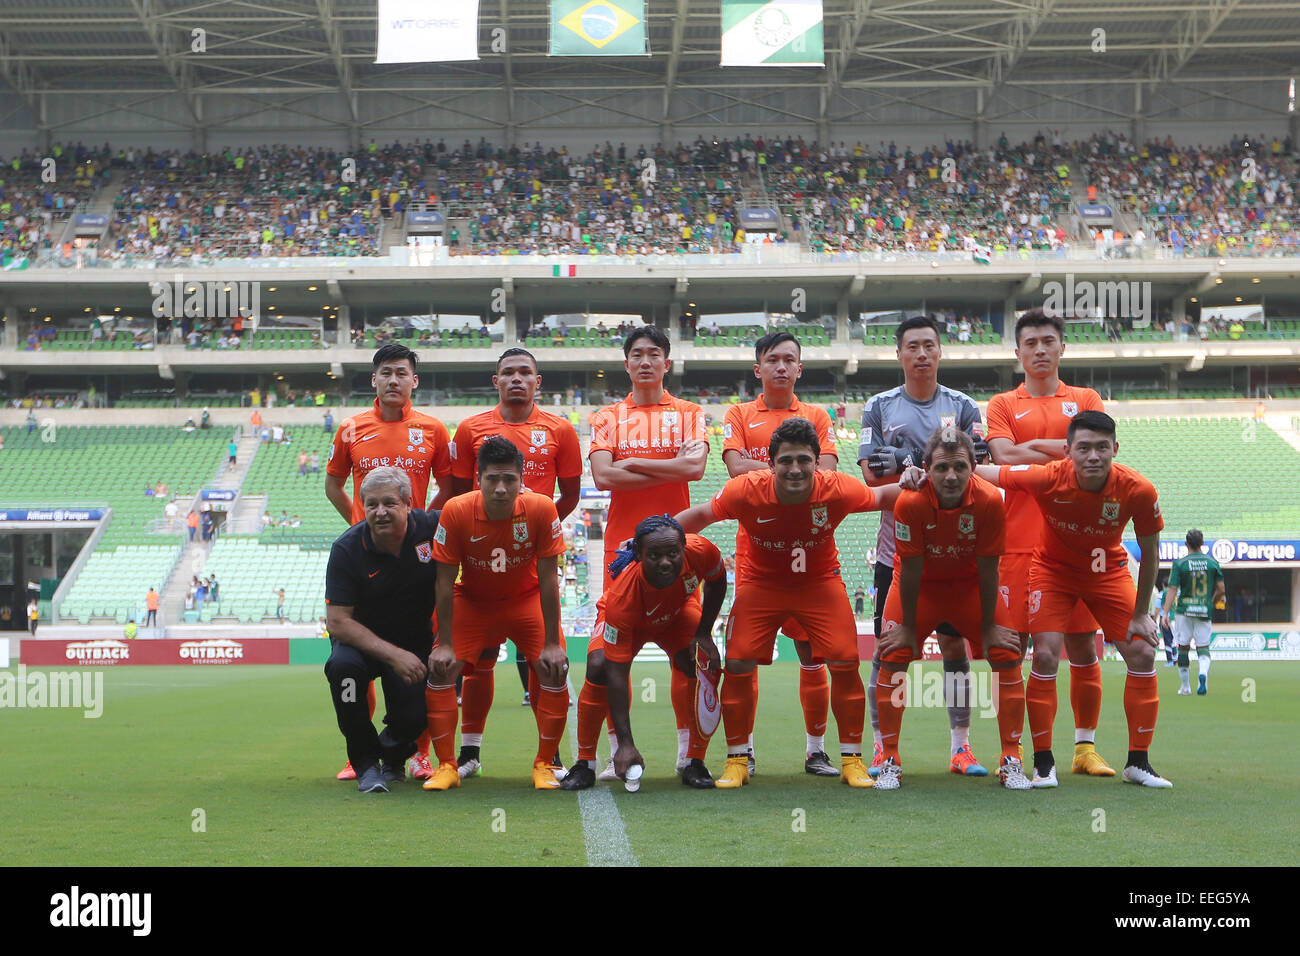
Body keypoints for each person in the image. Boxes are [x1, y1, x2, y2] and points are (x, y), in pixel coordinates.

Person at [675, 417, 906, 789]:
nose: (795, 469)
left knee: (846, 661)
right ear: (771, 463)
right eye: (786, 460)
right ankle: (737, 759)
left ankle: (852, 760)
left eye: (803, 460)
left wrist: (919, 484)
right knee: (738, 661)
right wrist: (651, 535)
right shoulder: (746, 489)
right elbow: (700, 516)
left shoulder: (837, 488)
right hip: (761, 584)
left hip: (818, 584)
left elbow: (882, 497)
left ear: (818, 462)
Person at [972, 410, 1170, 787]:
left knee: (1142, 649)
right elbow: (989, 473)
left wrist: (1142, 613)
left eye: (1101, 448)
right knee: (1046, 652)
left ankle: (1138, 762)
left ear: (1115, 448)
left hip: (1108, 572)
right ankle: (1044, 763)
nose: (1092, 456)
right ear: (1068, 451)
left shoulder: (1138, 490)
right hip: (1052, 572)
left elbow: (1151, 553)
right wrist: (933, 471)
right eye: (1083, 448)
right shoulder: (1048, 477)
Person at [857, 314, 989, 778]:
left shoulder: (964, 405)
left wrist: (910, 461)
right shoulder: (877, 407)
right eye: (911, 346)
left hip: (954, 555)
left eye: (928, 345)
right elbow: (872, 474)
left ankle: (961, 748)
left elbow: (980, 460)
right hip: (896, 552)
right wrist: (904, 470)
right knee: (890, 650)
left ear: (939, 351)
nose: (920, 354)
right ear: (899, 354)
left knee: (955, 648)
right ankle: (883, 749)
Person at [575, 325, 708, 781]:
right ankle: (616, 753)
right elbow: (603, 477)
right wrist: (663, 470)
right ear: (627, 364)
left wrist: (633, 463)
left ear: (666, 363)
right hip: (624, 553)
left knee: (689, 654)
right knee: (610, 657)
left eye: (655, 354)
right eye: (638, 354)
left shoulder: (689, 413)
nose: (646, 361)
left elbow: (695, 466)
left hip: (677, 550)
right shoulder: (609, 416)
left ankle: (688, 755)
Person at [985, 307, 1113, 777]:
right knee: (1012, 651)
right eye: (1030, 343)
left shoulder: (1085, 398)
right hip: (1016, 543)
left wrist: (1031, 453)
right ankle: (1012, 752)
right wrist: (1059, 448)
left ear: (1062, 347)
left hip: (1074, 544)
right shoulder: (1001, 404)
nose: (1040, 349)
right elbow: (1000, 457)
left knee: (1081, 648)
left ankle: (1084, 749)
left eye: (1048, 341)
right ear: (1017, 351)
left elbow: (1088, 458)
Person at [447, 348, 583, 770]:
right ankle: (469, 753)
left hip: (533, 559)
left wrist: (535, 533)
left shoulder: (561, 429)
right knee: (478, 663)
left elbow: (572, 494)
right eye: (509, 373)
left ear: (538, 381)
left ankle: (551, 756)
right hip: (479, 562)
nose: (517, 379)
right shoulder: (470, 429)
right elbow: (455, 493)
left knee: (546, 658)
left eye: (526, 372)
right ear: (496, 381)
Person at [324, 343, 453, 782]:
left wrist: (419, 523)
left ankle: (415, 753)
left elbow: (449, 488)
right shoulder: (350, 428)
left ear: (414, 380)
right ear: (373, 380)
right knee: (351, 662)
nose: (393, 379)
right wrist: (359, 522)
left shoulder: (434, 429)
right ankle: (357, 753)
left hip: (413, 554)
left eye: (402, 372)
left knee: (418, 665)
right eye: (385, 372)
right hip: (367, 554)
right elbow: (333, 485)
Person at [877, 427, 1029, 790]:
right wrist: (910, 630)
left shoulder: (991, 500)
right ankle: (890, 760)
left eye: (960, 467)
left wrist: (990, 628)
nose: (951, 476)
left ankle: (1012, 758)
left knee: (1006, 652)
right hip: (920, 588)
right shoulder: (910, 502)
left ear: (974, 466)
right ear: (926, 468)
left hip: (969, 588)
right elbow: (911, 571)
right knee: (894, 652)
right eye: (942, 468)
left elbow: (989, 568)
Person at [721, 331, 839, 777]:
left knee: (813, 654)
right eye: (773, 360)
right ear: (758, 368)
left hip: (810, 553)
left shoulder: (816, 415)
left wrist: (771, 472)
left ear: (800, 369)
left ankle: (816, 750)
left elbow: (825, 472)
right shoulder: (739, 413)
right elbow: (733, 468)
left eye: (790, 360)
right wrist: (791, 471)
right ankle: (743, 752)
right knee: (745, 653)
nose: (782, 367)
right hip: (757, 556)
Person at [422, 436, 569, 791]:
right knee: (442, 666)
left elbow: (549, 579)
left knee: (555, 666)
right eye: (492, 479)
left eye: (509, 480)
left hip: (525, 600)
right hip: (473, 601)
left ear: (521, 480)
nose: (501, 489)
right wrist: (443, 643)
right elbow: (443, 582)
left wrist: (552, 642)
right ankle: (446, 765)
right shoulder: (456, 510)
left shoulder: (541, 508)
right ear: (478, 477)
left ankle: (545, 764)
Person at [562, 515, 727, 791]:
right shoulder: (623, 598)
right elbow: (617, 673)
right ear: (638, 554)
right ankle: (585, 763)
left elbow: (717, 580)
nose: (665, 562)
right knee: (600, 665)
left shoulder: (702, 550)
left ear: (684, 548)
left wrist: (703, 633)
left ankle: (693, 760)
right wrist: (626, 744)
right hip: (634, 622)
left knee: (698, 660)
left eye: (673, 553)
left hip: (677, 613)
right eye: (654, 555)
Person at [323, 466, 441, 793]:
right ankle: (364, 764)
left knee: (417, 716)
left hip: (412, 639)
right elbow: (338, 621)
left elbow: (473, 512)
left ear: (408, 503)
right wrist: (394, 656)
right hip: (358, 644)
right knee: (344, 674)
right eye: (372, 504)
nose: (380, 512)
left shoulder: (432, 527)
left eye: (389, 503)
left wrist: (520, 494)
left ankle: (390, 758)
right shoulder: (347, 549)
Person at [1161, 529, 1225, 696]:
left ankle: (1185, 687)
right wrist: (1211, 602)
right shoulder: (1212, 563)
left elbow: (1172, 589)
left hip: (1184, 611)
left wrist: (1165, 613)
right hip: (1204, 610)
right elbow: (1221, 589)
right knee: (1203, 648)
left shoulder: (1180, 564)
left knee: (1183, 647)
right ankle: (1202, 674)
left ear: (1186, 544)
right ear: (1202, 543)